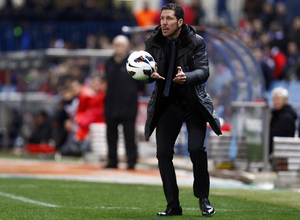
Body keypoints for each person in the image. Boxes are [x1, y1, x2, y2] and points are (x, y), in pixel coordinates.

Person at [143, 3, 222, 217]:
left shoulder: (196, 42)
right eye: (162, 18)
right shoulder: (153, 41)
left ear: (180, 22)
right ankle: (173, 205)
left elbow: (204, 71)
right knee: (162, 153)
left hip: (193, 104)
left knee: (196, 150)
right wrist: (148, 74)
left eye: (169, 19)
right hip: (167, 104)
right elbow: (143, 67)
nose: (164, 23)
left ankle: (203, 198)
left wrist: (187, 77)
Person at [104, 35, 144, 170]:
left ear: (127, 47)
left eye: (121, 45)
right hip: (111, 104)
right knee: (111, 135)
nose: (118, 48)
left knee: (129, 136)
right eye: (116, 45)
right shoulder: (109, 62)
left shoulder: (134, 62)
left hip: (128, 105)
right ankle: (112, 160)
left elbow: (141, 85)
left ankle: (131, 161)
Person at [269, 87, 297, 157]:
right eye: (274, 99)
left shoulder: (287, 117)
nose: (275, 102)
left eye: (278, 98)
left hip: (282, 155)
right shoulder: (275, 114)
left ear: (285, 100)